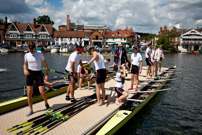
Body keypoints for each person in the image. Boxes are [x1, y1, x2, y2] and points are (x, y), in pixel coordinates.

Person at [23, 42, 50, 116]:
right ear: (28, 48)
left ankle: (46, 104)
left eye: (32, 49)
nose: (31, 51)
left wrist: (47, 74)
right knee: (29, 93)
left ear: (35, 48)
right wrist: (25, 70)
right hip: (30, 74)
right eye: (30, 50)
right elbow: (25, 64)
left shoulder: (40, 54)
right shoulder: (26, 55)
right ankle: (31, 110)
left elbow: (45, 64)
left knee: (42, 92)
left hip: (38, 74)